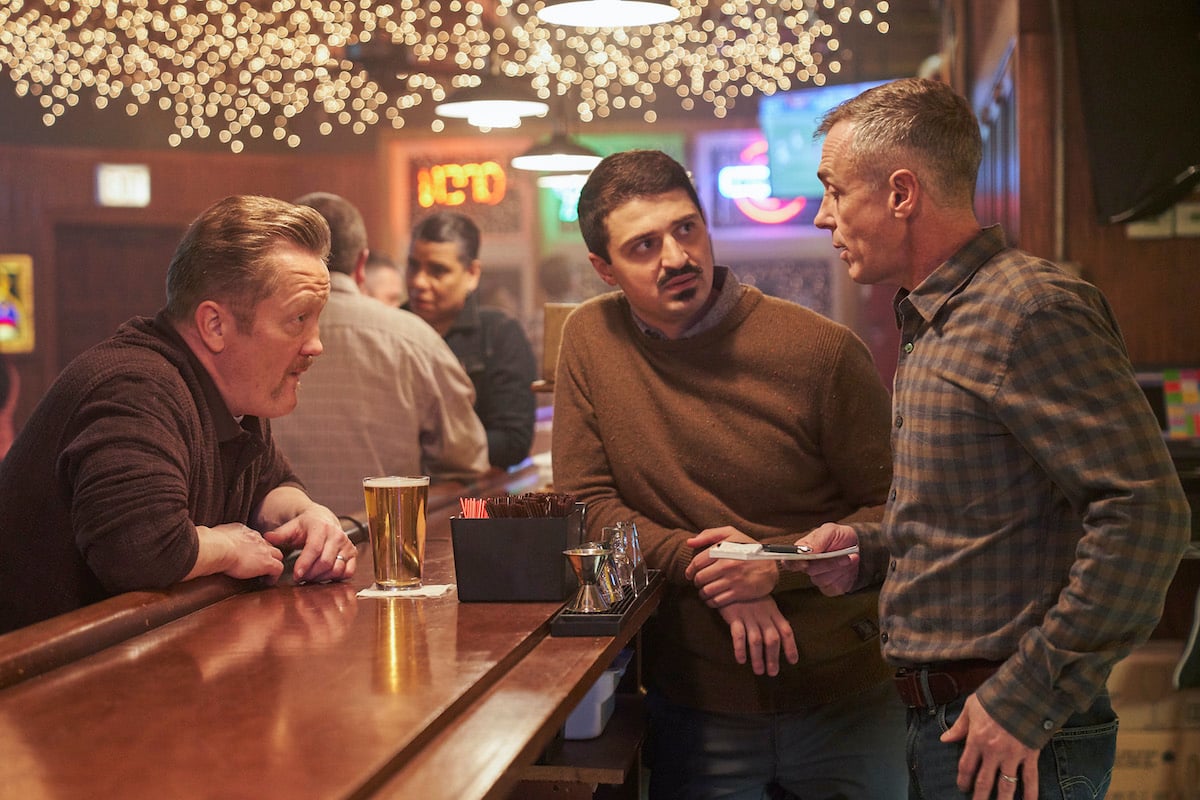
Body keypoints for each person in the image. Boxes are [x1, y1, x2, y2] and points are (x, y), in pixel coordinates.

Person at [794, 77, 1192, 800]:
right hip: (949, 722)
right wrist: (868, 552)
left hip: (1013, 729)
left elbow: (1148, 518)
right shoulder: (933, 322)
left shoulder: (1028, 309)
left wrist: (1026, 701)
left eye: (833, 190)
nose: (824, 217)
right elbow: (977, 519)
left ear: (901, 193)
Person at [551, 149, 906, 799]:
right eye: (644, 245)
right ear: (603, 269)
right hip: (693, 700)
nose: (677, 258)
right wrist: (713, 569)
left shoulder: (821, 351)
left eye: (687, 229)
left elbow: (902, 513)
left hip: (845, 695)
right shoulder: (589, 340)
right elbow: (585, 505)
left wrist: (776, 561)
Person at [0, 195, 359, 634]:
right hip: (28, 683)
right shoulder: (136, 387)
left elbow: (269, 483)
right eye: (298, 319)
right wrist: (226, 547)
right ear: (214, 326)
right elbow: (137, 549)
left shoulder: (230, 393)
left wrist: (307, 515)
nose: (315, 344)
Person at [271, 193, 488, 516]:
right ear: (362, 264)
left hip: (272, 549)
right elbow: (468, 466)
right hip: (384, 548)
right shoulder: (416, 340)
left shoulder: (252, 336)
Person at [405, 211, 536, 470]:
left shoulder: (498, 333)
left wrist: (431, 448)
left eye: (437, 271)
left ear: (472, 274)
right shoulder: (393, 329)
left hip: (470, 495)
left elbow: (514, 441)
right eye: (413, 266)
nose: (419, 281)